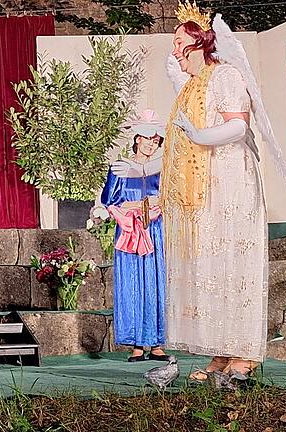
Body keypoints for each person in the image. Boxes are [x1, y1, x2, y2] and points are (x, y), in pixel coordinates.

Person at [162, 2, 286, 380]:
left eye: (179, 42)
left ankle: (245, 352)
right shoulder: (193, 84)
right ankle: (223, 351)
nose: (174, 49)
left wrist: (199, 135)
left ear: (197, 44)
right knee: (212, 265)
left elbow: (238, 127)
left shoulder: (224, 75)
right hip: (205, 188)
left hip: (230, 183)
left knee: (234, 265)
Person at [103, 110, 168, 362]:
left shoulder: (161, 169)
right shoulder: (120, 168)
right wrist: (137, 206)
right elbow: (109, 200)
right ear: (137, 138)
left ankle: (156, 342)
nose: (152, 144)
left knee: (154, 281)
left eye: (156, 140)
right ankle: (137, 344)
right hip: (130, 229)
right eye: (148, 138)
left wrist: (155, 205)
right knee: (131, 281)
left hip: (154, 228)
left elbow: (168, 195)